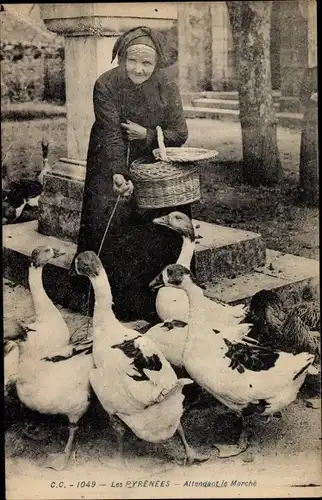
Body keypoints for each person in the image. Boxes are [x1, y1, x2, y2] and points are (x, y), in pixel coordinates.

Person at [71, 26, 191, 323]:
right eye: (132, 61)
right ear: (122, 59)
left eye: (147, 63)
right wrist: (118, 173)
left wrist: (148, 135)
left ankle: (162, 293)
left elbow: (181, 133)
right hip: (108, 159)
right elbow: (111, 133)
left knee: (155, 223)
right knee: (109, 220)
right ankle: (107, 297)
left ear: (156, 64)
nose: (139, 69)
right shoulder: (106, 85)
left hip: (150, 162)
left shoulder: (167, 86)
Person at [299, 65, 318, 205]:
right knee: (310, 156)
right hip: (312, 119)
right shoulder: (311, 73)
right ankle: (309, 193)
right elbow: (303, 97)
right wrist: (312, 96)